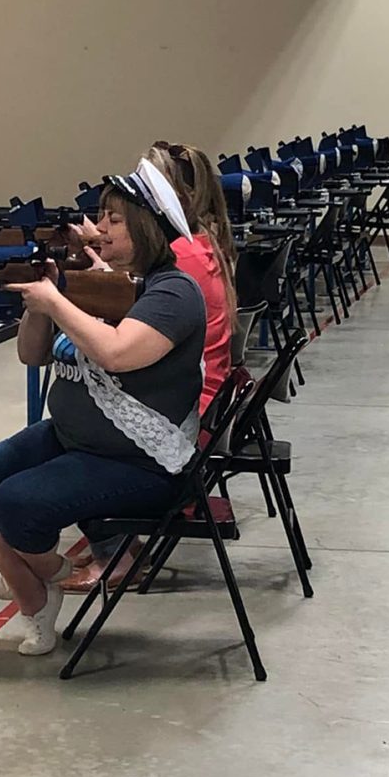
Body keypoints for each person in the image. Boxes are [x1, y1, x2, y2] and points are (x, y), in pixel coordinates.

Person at [0, 159, 206, 656]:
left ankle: (45, 581)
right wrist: (40, 302)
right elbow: (31, 355)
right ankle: (35, 592)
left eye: (114, 220)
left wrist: (58, 302)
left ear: (147, 228)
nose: (101, 229)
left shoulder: (172, 291)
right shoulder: (105, 283)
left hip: (140, 460)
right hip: (76, 438)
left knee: (18, 503)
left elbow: (116, 352)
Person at [63, 141, 238, 593]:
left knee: (81, 427)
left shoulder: (182, 262)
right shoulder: (201, 244)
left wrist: (70, 287)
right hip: (206, 391)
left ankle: (114, 552)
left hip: (191, 408)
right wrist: (105, 259)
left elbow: (126, 333)